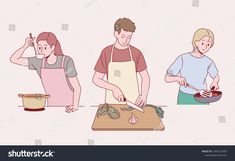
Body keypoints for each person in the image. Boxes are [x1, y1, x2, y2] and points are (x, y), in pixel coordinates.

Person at [10, 32, 81, 112]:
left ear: (52, 47)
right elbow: (14, 59)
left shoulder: (66, 61)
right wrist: (25, 45)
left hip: (69, 107)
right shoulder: (38, 62)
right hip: (51, 106)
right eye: (39, 48)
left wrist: (75, 105)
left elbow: (77, 87)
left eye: (45, 48)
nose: (41, 51)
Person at [93, 18, 150, 107]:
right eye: (123, 36)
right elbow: (96, 79)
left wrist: (144, 95)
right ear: (116, 33)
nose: (126, 40)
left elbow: (145, 77)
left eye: (129, 37)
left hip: (134, 102)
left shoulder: (136, 53)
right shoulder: (106, 52)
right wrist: (114, 88)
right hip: (112, 103)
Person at [165, 28, 220, 105]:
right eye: (202, 43)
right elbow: (167, 78)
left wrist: (215, 82)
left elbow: (216, 76)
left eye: (208, 44)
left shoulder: (208, 61)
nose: (205, 47)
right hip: (185, 96)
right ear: (195, 42)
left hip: (203, 97)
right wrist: (177, 78)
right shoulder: (182, 58)